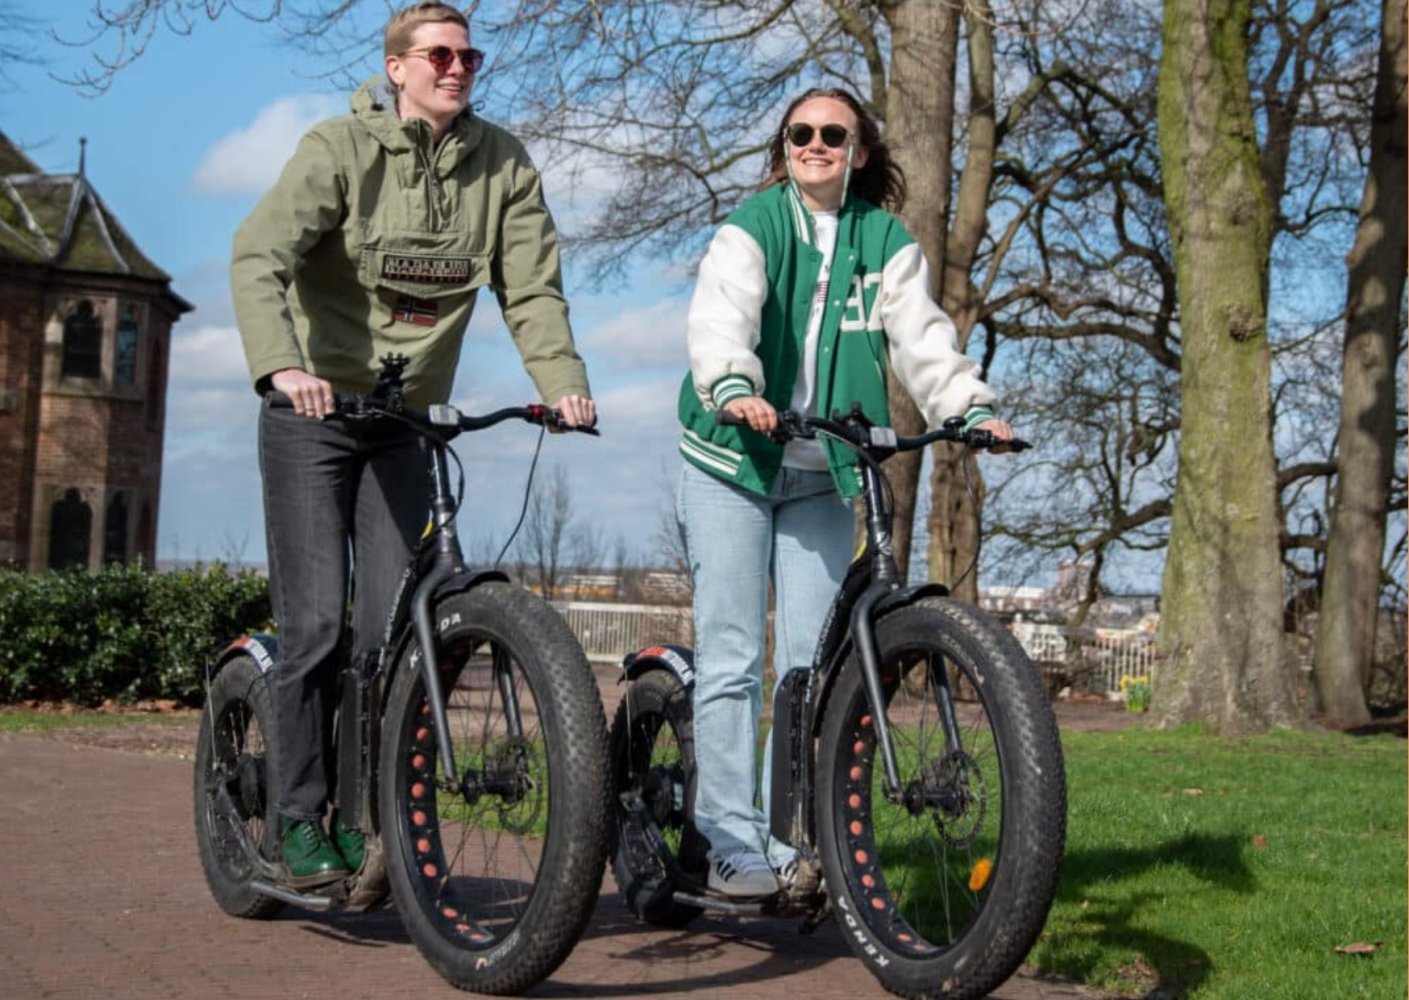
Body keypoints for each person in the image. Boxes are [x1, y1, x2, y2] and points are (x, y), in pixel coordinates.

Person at [231, 2, 594, 887]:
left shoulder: (503, 163)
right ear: (397, 67)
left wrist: (561, 383)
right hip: (315, 415)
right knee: (318, 626)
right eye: (439, 55)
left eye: (470, 56)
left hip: (406, 422)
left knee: (387, 635)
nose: (457, 67)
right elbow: (257, 255)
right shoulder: (337, 150)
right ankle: (296, 818)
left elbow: (530, 289)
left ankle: (365, 818)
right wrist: (283, 366)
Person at [675, 87, 1013, 897]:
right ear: (784, 146)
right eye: (800, 132)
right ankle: (725, 838)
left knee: (808, 665)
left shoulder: (883, 240)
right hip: (733, 459)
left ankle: (785, 838)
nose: (814, 144)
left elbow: (921, 338)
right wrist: (734, 386)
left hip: (821, 470)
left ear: (859, 151)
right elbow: (720, 320)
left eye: (833, 133)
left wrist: (966, 408)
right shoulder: (751, 229)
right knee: (733, 654)